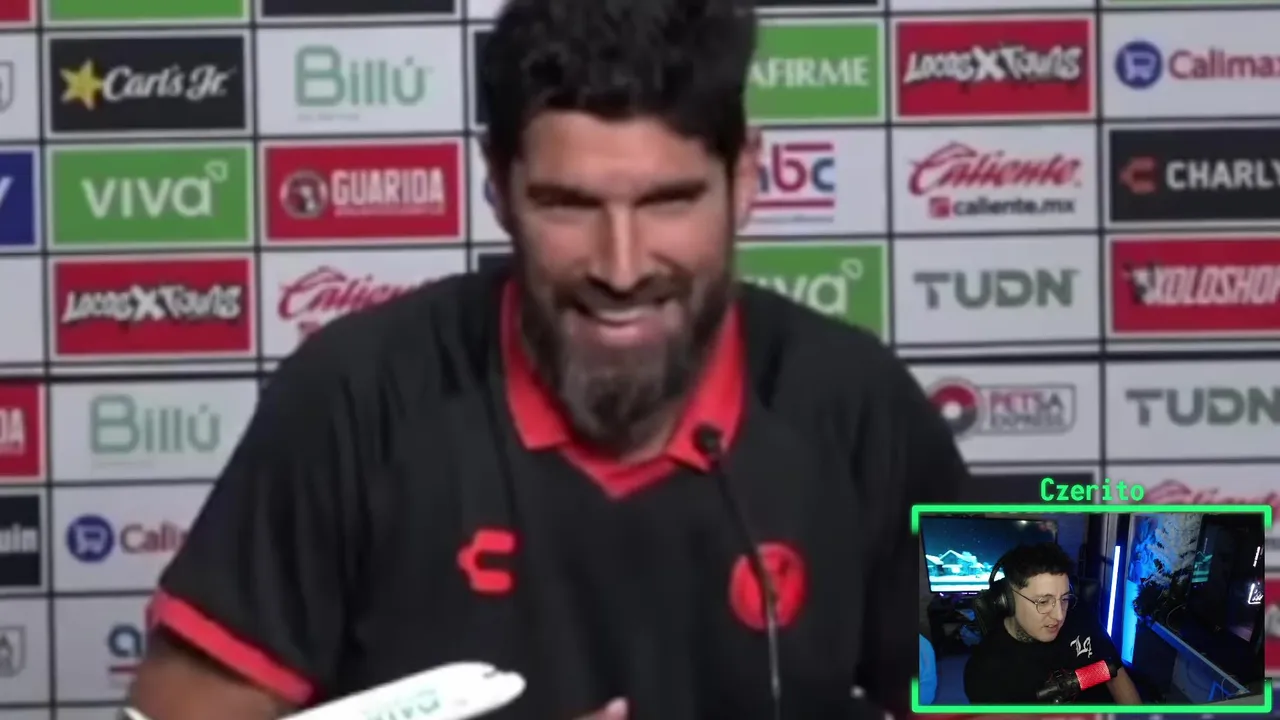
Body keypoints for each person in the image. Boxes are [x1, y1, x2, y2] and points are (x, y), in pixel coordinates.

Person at [120, 0, 967, 717]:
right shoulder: (353, 394)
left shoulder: (860, 398)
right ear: (498, 185)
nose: (622, 267)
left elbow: (1037, 686)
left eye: (669, 201)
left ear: (744, 178)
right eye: (568, 205)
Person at [964, 543, 1142, 705]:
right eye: (1043, 602)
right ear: (1007, 600)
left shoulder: (1080, 614)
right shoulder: (985, 671)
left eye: (1064, 598)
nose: (1059, 615)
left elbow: (1114, 674)